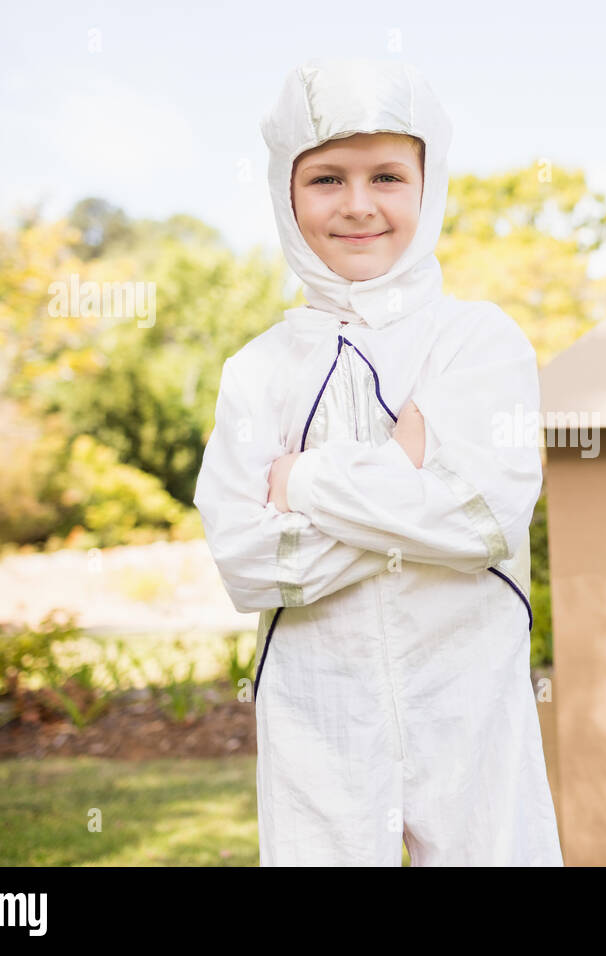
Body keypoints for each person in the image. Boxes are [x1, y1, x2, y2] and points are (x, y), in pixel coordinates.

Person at [193, 57, 563, 866]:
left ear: (428, 186)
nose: (358, 205)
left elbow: (480, 519)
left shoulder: (480, 344)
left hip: (470, 704)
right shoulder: (257, 371)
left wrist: (305, 483)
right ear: (285, 192)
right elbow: (248, 565)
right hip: (315, 708)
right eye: (327, 178)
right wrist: (406, 471)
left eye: (387, 175)